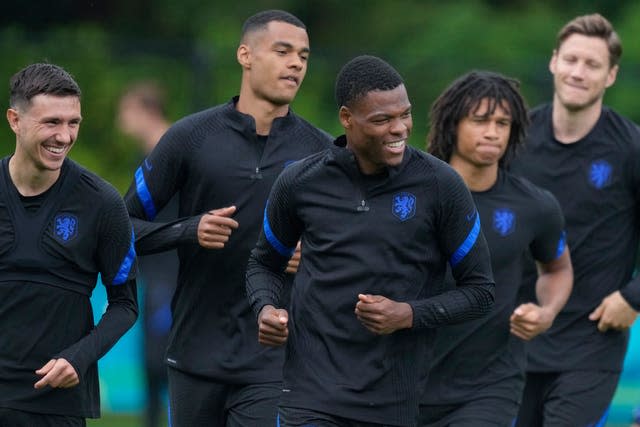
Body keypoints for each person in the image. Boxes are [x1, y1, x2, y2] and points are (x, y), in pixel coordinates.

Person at [245, 54, 496, 427]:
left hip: (393, 402)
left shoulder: (440, 185)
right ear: (347, 119)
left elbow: (481, 292)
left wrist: (408, 314)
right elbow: (263, 263)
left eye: (405, 114)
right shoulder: (300, 182)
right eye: (382, 119)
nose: (399, 128)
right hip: (309, 397)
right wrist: (265, 308)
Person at [124, 9, 333, 427]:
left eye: (304, 56)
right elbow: (120, 229)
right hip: (193, 354)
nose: (296, 63)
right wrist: (188, 230)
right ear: (245, 55)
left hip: (275, 362)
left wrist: (312, 257)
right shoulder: (188, 138)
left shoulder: (324, 154)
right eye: (283, 50)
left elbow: (354, 251)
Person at [418, 70, 573, 426]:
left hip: (489, 386)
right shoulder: (412, 193)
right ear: (452, 125)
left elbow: (557, 268)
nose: (493, 132)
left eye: (503, 122)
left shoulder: (535, 205)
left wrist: (546, 311)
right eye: (480, 120)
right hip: (407, 379)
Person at [509, 13, 640, 426]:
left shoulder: (631, 148)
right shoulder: (516, 138)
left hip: (591, 341)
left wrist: (634, 298)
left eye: (592, 65)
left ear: (611, 76)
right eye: (571, 60)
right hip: (517, 335)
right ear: (553, 62)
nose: (578, 72)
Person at [0, 63, 138, 426]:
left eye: (73, 123)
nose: (64, 136)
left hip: (55, 405)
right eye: (51, 122)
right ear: (15, 120)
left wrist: (79, 357)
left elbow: (125, 304)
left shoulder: (102, 203)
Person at [117, 81, 176, 427]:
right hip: (154, 275)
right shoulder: (148, 158)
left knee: (161, 363)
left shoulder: (174, 152)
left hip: (172, 277)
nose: (121, 120)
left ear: (146, 111)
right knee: (151, 364)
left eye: (126, 110)